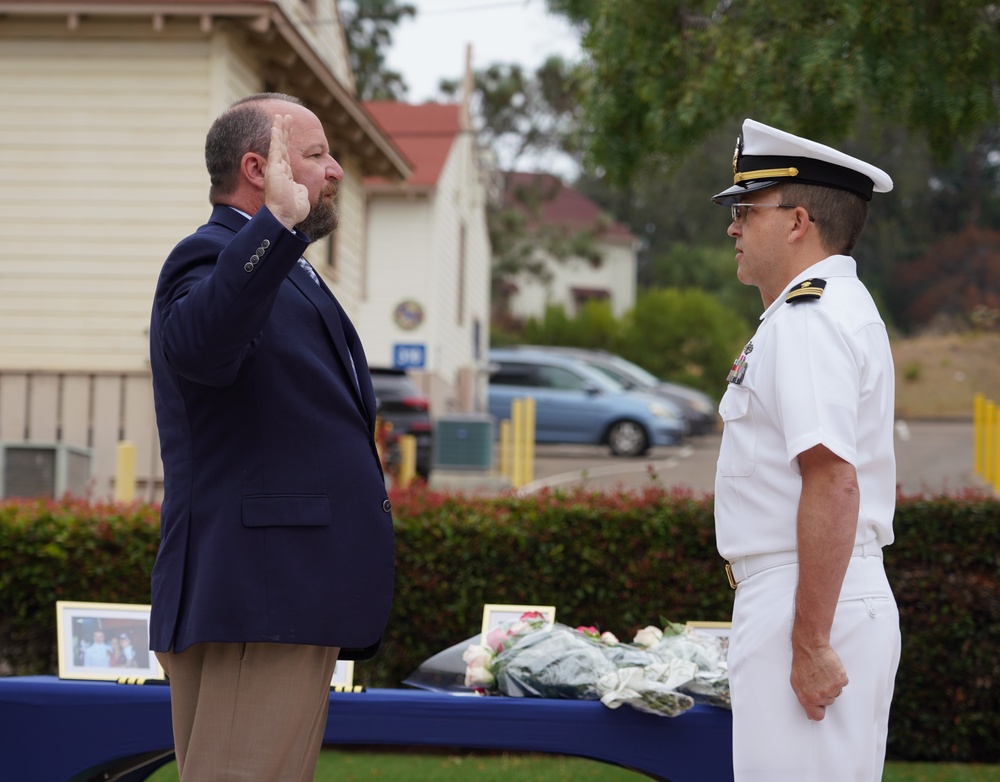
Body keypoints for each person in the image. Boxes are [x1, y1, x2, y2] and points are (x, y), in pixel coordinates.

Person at [148, 92, 395, 782]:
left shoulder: (279, 263)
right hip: (252, 601)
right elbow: (201, 346)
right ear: (258, 169)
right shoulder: (211, 256)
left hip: (287, 598)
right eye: (316, 155)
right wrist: (274, 230)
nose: (336, 170)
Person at [711, 119, 901, 781]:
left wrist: (810, 640)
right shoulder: (826, 308)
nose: (733, 227)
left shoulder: (810, 317)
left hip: (811, 593)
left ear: (797, 221)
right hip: (817, 588)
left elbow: (831, 480)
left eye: (745, 210)